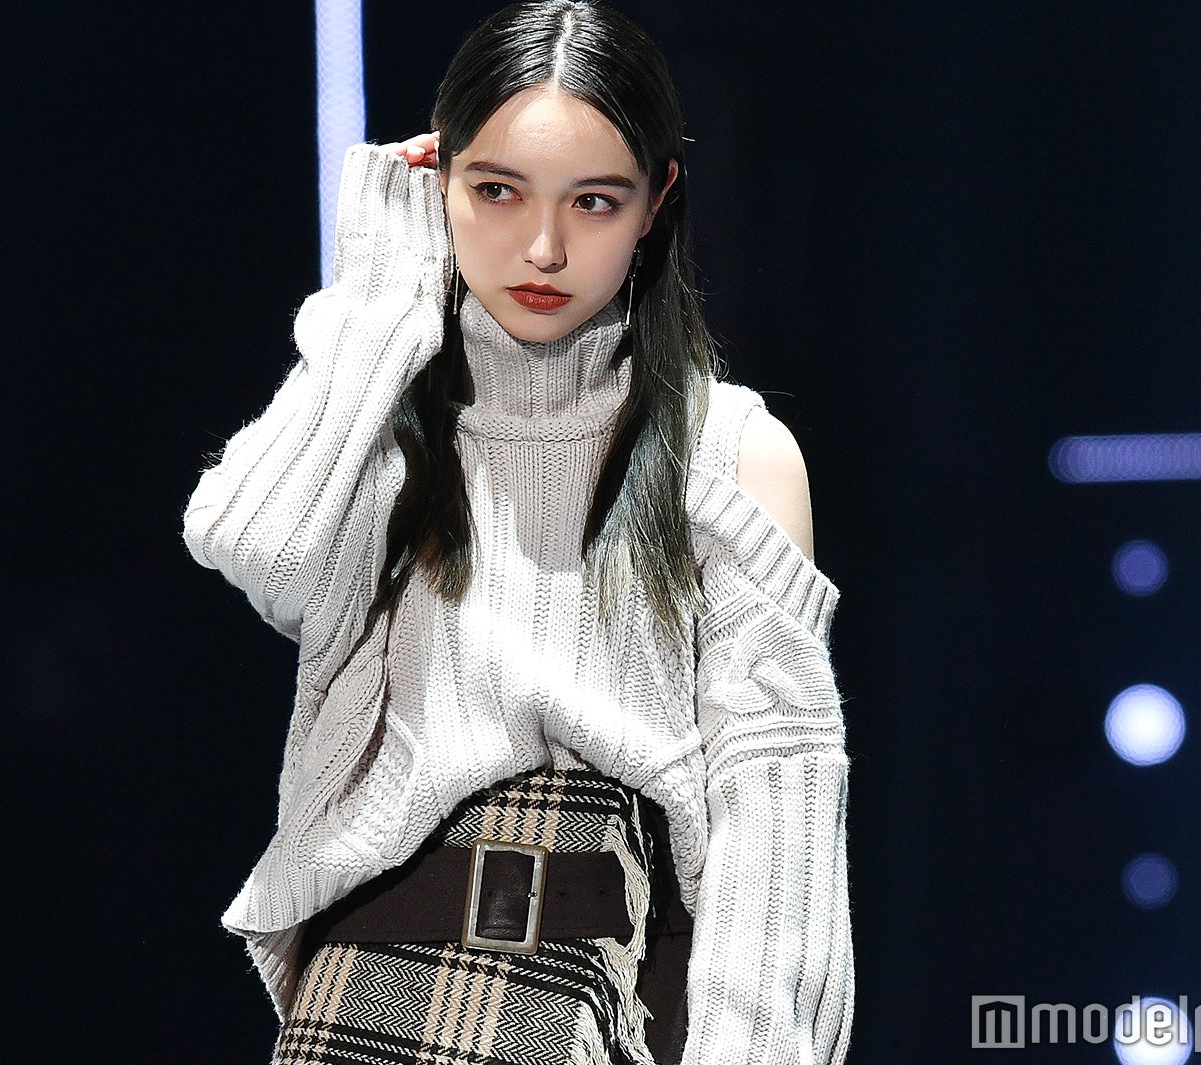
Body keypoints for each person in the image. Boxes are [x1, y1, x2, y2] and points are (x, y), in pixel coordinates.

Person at [181, 2, 853, 1063]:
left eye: (594, 201)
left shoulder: (728, 454)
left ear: (655, 204)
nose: (542, 247)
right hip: (366, 993)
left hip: (607, 988)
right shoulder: (379, 427)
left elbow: (777, 818)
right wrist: (381, 299)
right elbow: (258, 547)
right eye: (496, 191)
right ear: (436, 186)